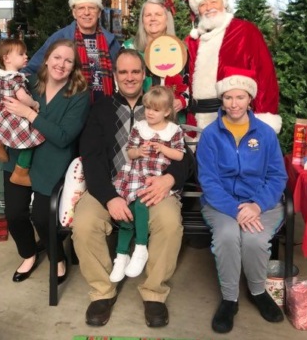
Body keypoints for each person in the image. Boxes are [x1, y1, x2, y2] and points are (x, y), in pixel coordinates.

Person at [71, 49, 191, 328]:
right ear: (114, 76)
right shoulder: (100, 109)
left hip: (153, 185)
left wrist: (169, 180)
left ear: (144, 75)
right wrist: (110, 197)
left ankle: (154, 294)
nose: (129, 77)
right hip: (112, 184)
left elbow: (184, 156)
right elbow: (91, 156)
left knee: (169, 222)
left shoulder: (160, 106)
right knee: (85, 222)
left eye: (135, 71)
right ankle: (102, 291)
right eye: (123, 72)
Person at [196, 66, 288, 334]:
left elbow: (276, 176)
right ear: (221, 100)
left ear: (250, 99)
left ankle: (258, 292)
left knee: (255, 238)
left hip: (262, 203)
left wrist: (257, 205)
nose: (234, 104)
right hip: (222, 204)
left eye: (240, 97)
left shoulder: (265, 134)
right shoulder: (211, 135)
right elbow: (209, 181)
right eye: (228, 97)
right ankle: (230, 299)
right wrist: (236, 210)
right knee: (226, 236)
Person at [2, 39, 89, 284]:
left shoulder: (79, 95)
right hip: (19, 157)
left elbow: (63, 137)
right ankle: (28, 254)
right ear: (47, 58)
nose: (61, 64)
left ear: (73, 67)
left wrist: (29, 113)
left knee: (42, 217)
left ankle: (57, 256)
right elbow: (5, 108)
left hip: (53, 160)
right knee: (14, 214)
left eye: (68, 61)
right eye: (57, 58)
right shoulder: (26, 83)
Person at [24, 0, 128, 102]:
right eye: (81, 8)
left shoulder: (110, 40)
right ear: (74, 13)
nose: (86, 13)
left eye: (91, 8)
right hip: (70, 107)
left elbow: (122, 73)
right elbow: (31, 69)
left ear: (99, 13)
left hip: (106, 107)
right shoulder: (60, 38)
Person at [110, 85, 185, 283]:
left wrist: (162, 148)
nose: (150, 113)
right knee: (127, 208)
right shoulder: (140, 127)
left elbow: (179, 155)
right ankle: (121, 256)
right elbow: (130, 151)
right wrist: (139, 152)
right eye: (148, 108)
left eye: (156, 109)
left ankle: (141, 247)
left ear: (167, 112)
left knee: (141, 202)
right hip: (136, 173)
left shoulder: (173, 130)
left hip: (156, 175)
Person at [185, 0, 282, 133]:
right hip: (197, 121)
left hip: (235, 118)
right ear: (197, 10)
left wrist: (264, 115)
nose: (209, 8)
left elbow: (265, 75)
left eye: (213, 1)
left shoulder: (245, 31)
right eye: (203, 4)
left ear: (223, 3)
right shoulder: (192, 41)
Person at [0, 39, 44, 187]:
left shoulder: (2, 75)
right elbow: (23, 98)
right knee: (33, 140)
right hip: (14, 116)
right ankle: (20, 172)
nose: (26, 57)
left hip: (3, 115)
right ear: (7, 58)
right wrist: (35, 103)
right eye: (21, 54)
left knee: (12, 133)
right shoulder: (15, 78)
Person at [123, 0, 187, 112]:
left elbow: (190, 83)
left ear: (167, 19)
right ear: (142, 20)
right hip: (138, 114)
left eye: (158, 14)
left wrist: (182, 101)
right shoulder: (129, 48)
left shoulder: (180, 49)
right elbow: (119, 83)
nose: (153, 19)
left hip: (172, 117)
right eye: (148, 15)